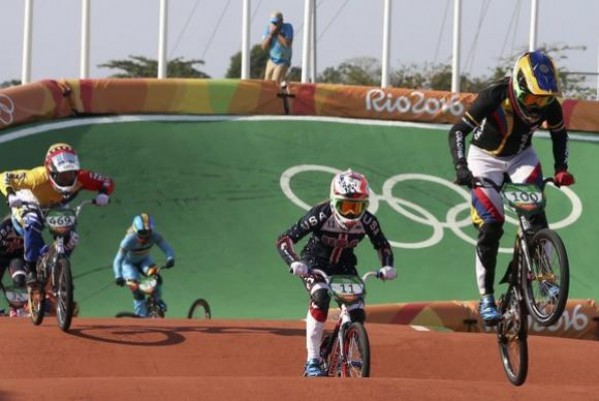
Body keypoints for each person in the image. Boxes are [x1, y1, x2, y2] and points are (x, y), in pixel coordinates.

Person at [448, 50, 576, 326]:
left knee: (536, 217)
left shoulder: (549, 105)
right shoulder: (494, 95)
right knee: (491, 225)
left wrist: (560, 169)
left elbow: (560, 135)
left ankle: (543, 277)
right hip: (484, 159)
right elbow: (457, 131)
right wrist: (461, 167)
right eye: (532, 97)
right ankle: (486, 297)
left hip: (521, 157)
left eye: (544, 99)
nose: (537, 105)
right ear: (518, 85)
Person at [276, 169, 397, 377]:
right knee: (321, 298)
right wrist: (295, 262)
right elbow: (285, 239)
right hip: (314, 262)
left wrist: (387, 266)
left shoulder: (368, 221)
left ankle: (347, 343)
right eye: (346, 206)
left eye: (357, 207)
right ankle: (312, 360)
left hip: (345, 266)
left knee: (357, 313)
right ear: (334, 201)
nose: (351, 214)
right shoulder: (320, 215)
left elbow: (382, 245)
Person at [0, 143, 114, 286]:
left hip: (55, 205)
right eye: (61, 175)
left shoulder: (82, 177)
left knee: (71, 237)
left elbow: (106, 181)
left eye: (71, 174)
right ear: (50, 171)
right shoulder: (36, 177)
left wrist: (103, 193)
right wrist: (10, 194)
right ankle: (31, 270)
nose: (67, 179)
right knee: (33, 223)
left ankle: (58, 269)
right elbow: (4, 176)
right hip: (30, 201)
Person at [112, 213, 175, 317]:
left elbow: (167, 248)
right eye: (141, 234)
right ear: (135, 231)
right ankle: (141, 314)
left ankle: (158, 300)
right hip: (128, 264)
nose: (145, 237)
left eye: (148, 233)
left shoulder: (155, 236)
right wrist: (118, 276)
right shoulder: (128, 240)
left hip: (145, 260)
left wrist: (170, 258)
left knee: (156, 278)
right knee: (136, 288)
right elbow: (118, 260)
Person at [261, 11, 293, 84]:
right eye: (273, 23)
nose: (274, 25)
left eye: (276, 23)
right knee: (267, 82)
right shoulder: (268, 29)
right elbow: (263, 46)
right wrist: (271, 35)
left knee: (275, 81)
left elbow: (287, 44)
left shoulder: (288, 27)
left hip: (283, 60)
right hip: (272, 59)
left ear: (281, 21)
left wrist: (277, 34)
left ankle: (276, 93)